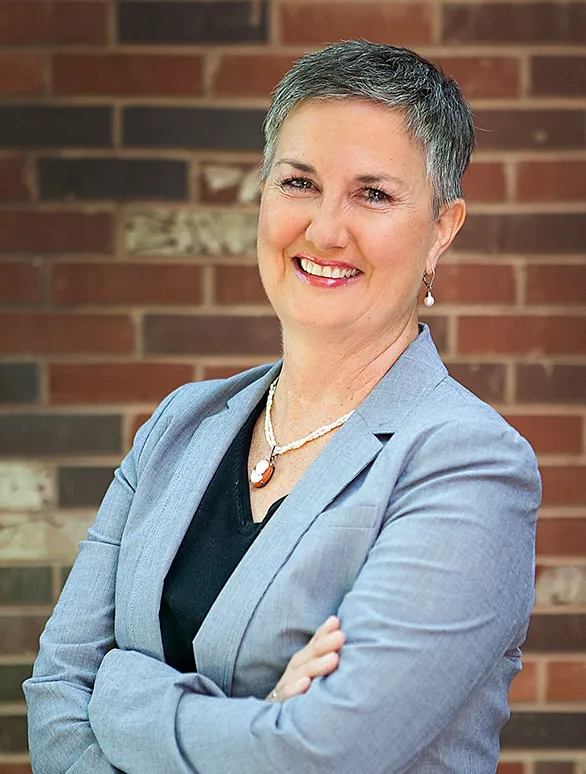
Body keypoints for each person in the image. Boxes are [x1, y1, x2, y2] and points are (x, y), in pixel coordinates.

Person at [24, 40, 541, 774]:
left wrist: (122, 693)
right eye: (299, 182)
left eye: (374, 194)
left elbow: (325, 754)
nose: (326, 230)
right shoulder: (181, 426)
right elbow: (55, 694)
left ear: (442, 231)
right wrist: (257, 724)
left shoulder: (467, 464)